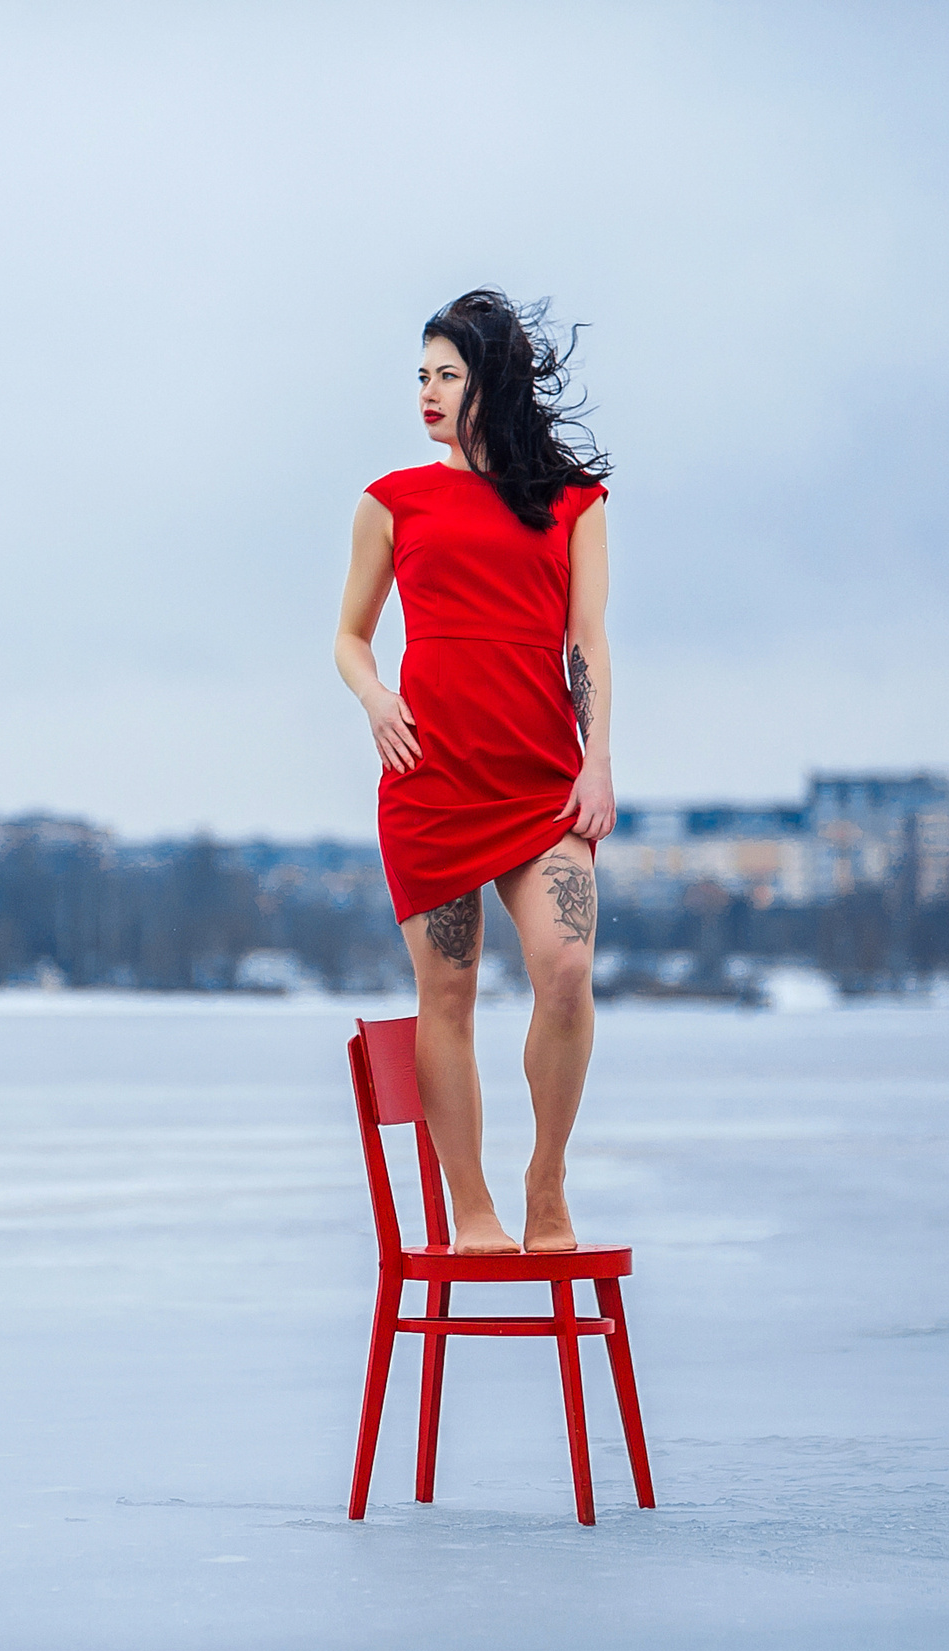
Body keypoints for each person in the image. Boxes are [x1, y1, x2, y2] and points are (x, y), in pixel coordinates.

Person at [333, 288, 615, 1256]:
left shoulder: (572, 499)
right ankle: (475, 1212)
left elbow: (586, 641)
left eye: (445, 374)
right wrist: (376, 699)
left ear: (490, 379)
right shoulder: (391, 502)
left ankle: (546, 1178)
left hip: (543, 786)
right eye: (419, 375)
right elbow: (348, 637)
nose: (426, 392)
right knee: (446, 998)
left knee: (567, 969)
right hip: (433, 787)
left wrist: (599, 759)